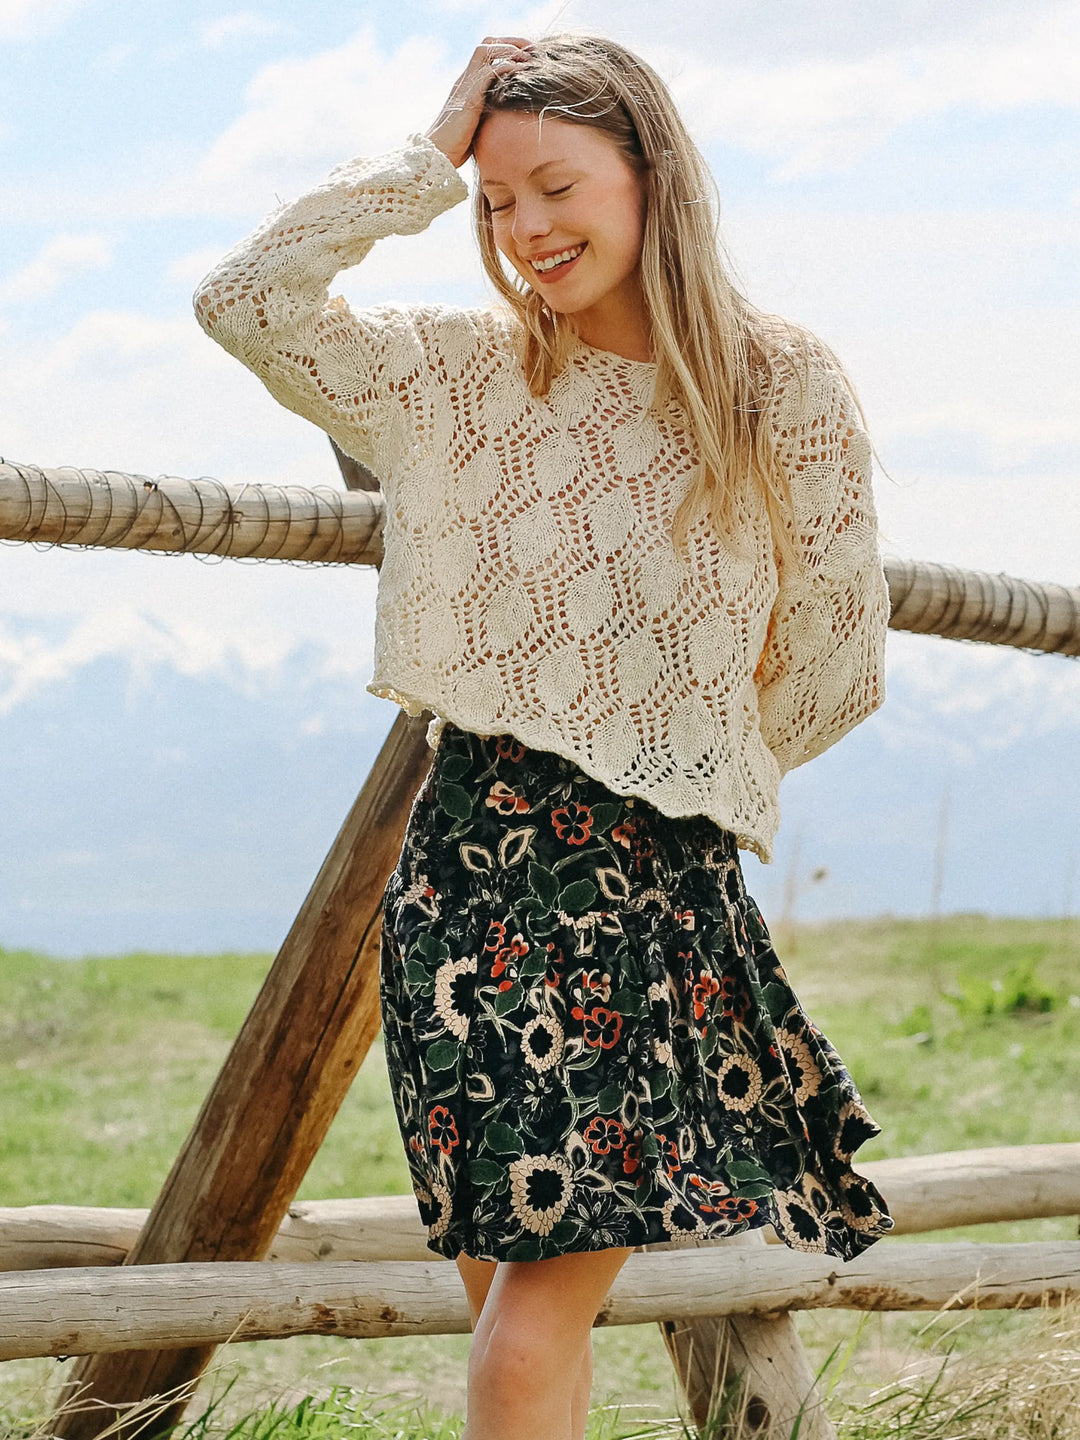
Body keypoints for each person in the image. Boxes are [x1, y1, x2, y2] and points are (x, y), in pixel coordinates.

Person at [194, 32, 894, 1440]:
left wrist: (680, 754)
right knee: (524, 1326)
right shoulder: (459, 377)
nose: (525, 229)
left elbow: (834, 659)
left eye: (556, 186)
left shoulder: (780, 385)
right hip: (468, 886)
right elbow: (246, 299)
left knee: (526, 1329)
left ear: (651, 173)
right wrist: (426, 152)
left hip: (647, 892)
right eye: (497, 199)